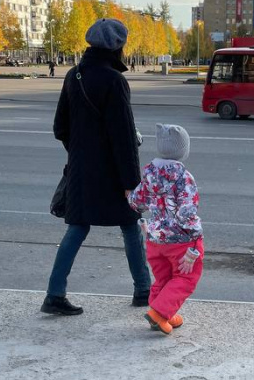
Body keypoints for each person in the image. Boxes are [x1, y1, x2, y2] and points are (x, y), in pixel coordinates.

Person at [42, 18, 151, 316]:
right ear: (118, 47)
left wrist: (81, 153)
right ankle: (143, 290)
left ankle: (54, 294)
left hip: (80, 171)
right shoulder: (114, 81)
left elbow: (59, 127)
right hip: (114, 173)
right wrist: (132, 181)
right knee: (130, 227)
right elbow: (124, 137)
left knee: (77, 227)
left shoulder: (73, 75)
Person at [128, 124, 203, 335]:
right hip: (180, 241)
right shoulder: (184, 177)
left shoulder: (149, 174)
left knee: (164, 278)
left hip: (154, 239)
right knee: (187, 277)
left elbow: (137, 202)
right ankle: (160, 313)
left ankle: (163, 313)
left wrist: (131, 197)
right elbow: (187, 212)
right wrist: (196, 237)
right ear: (182, 150)